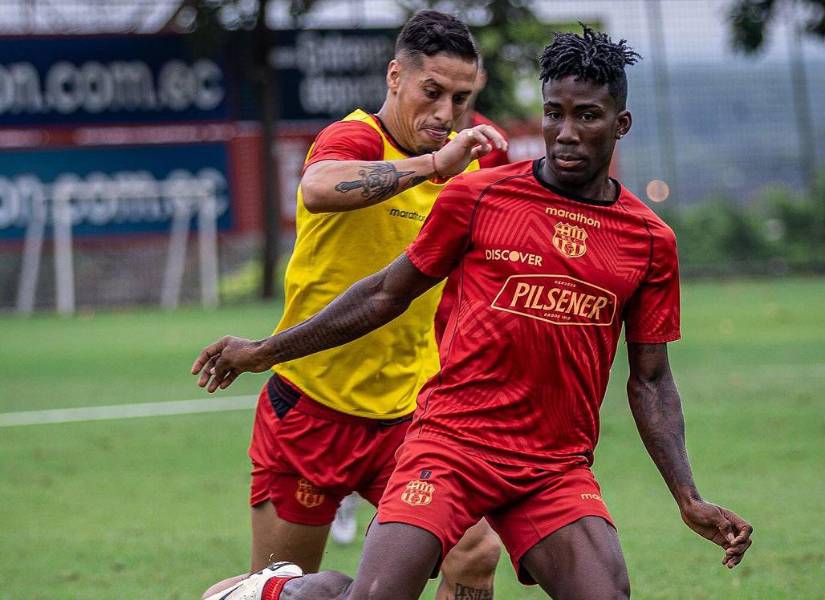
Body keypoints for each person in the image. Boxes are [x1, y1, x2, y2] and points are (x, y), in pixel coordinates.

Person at [193, 26, 753, 600]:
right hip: (412, 433)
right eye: (553, 114)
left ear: (620, 124)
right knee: (362, 590)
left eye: (585, 116)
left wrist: (687, 497)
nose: (564, 133)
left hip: (540, 460)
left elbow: (653, 380)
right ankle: (276, 592)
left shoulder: (648, 238)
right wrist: (264, 350)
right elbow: (383, 285)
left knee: (541, 574)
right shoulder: (462, 187)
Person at [199, 10, 506, 600]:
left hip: (407, 416)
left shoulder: (474, 152)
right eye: (432, 93)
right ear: (396, 77)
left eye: (460, 98)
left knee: (475, 549)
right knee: (285, 586)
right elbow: (317, 187)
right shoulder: (358, 135)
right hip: (310, 409)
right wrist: (428, 166)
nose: (445, 114)